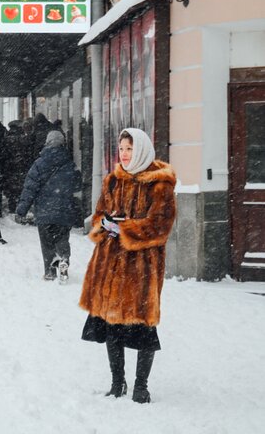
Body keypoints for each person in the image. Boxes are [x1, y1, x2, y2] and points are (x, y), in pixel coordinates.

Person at [79, 128, 176, 404]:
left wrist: (126, 229)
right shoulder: (113, 180)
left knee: (144, 327)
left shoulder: (159, 183)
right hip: (110, 264)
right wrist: (104, 224)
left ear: (141, 150)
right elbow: (98, 215)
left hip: (141, 267)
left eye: (130, 149)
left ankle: (141, 386)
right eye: (121, 148)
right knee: (112, 325)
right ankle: (117, 382)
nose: (124, 154)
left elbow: (160, 226)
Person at [16, 131, 81, 282]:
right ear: (63, 143)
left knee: (46, 242)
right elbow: (77, 185)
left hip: (44, 211)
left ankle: (50, 272)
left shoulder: (39, 164)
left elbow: (30, 188)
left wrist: (21, 209)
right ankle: (64, 259)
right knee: (62, 239)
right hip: (64, 210)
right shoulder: (69, 163)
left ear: (47, 143)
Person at [4, 121, 33, 213]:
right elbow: (29, 153)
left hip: (10, 168)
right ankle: (21, 207)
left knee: (11, 189)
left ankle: (12, 207)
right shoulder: (24, 139)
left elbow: (3, 154)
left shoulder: (6, 139)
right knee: (21, 188)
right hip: (22, 166)